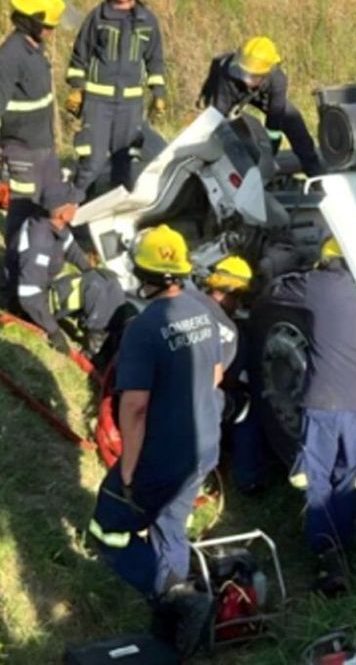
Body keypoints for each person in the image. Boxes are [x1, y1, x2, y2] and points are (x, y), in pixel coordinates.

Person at [88, 224, 222, 658]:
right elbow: (216, 374)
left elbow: (135, 408)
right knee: (169, 527)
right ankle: (176, 635)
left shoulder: (145, 329)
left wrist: (128, 470)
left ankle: (177, 600)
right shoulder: (203, 310)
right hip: (204, 445)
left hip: (162, 456)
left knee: (105, 530)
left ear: (142, 273)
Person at [274, 236, 356, 596]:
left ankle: (326, 553)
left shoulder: (318, 285)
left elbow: (278, 292)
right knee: (352, 475)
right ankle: (344, 541)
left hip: (324, 398)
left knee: (315, 476)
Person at [65, 0, 166, 195]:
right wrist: (77, 89)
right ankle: (70, 214)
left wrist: (159, 93)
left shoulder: (147, 20)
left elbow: (155, 60)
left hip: (130, 103)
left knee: (124, 164)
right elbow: (80, 56)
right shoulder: (97, 18)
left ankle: (114, 219)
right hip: (98, 103)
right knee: (93, 162)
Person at [15, 179, 126, 358]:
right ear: (63, 213)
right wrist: (54, 332)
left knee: (106, 280)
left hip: (44, 290)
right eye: (74, 204)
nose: (78, 205)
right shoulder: (40, 244)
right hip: (35, 304)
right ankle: (94, 351)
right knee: (95, 287)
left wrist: (91, 270)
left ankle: (108, 332)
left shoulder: (55, 225)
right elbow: (29, 297)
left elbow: (71, 249)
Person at [188, 256, 270, 494]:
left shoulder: (186, 300)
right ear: (232, 294)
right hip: (197, 400)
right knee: (245, 410)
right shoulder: (231, 333)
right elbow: (225, 378)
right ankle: (249, 480)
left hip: (159, 387)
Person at [0, 0, 66, 265]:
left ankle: (42, 262)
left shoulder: (34, 48)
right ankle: (16, 273)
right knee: (22, 211)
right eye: (47, 26)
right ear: (31, 22)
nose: (51, 31)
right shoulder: (11, 55)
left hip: (43, 146)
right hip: (22, 149)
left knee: (47, 204)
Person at [197, 35, 322, 177]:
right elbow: (218, 114)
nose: (245, 79)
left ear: (266, 73)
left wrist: (268, 158)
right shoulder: (228, 74)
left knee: (292, 120)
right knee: (218, 127)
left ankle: (315, 173)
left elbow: (274, 124)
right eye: (242, 72)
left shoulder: (277, 80)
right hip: (230, 88)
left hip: (262, 93)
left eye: (251, 76)